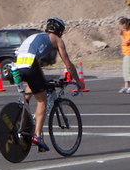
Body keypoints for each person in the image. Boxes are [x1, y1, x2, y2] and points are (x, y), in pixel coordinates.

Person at [14, 17, 84, 151]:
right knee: (42, 100)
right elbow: (68, 65)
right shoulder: (57, 40)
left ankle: (22, 114)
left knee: (32, 87)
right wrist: (79, 81)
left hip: (17, 62)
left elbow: (33, 63)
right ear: (60, 31)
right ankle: (38, 136)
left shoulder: (37, 36)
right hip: (30, 63)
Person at [118, 17, 130, 94]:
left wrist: (121, 36)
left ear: (125, 24)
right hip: (126, 53)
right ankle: (126, 86)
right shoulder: (126, 32)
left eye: (121, 24)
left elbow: (127, 42)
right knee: (125, 70)